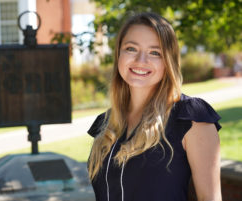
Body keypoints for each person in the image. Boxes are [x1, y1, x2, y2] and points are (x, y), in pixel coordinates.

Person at [87, 12, 222, 201]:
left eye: (154, 52)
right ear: (119, 54)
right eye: (131, 48)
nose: (141, 61)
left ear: (168, 62)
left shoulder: (191, 117)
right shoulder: (106, 124)